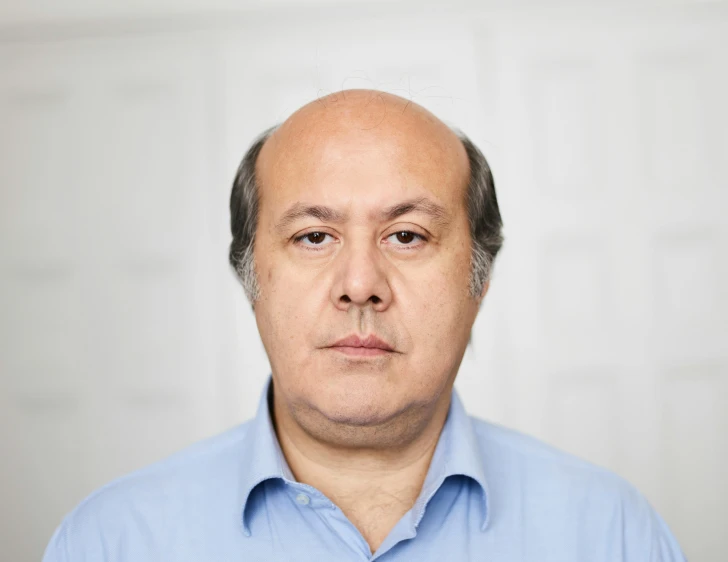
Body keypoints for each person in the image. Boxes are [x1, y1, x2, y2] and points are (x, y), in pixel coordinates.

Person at [42, 89, 686, 561]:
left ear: (479, 283)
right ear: (251, 280)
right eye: (314, 236)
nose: (359, 284)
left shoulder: (612, 534)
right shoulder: (109, 542)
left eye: (406, 235)